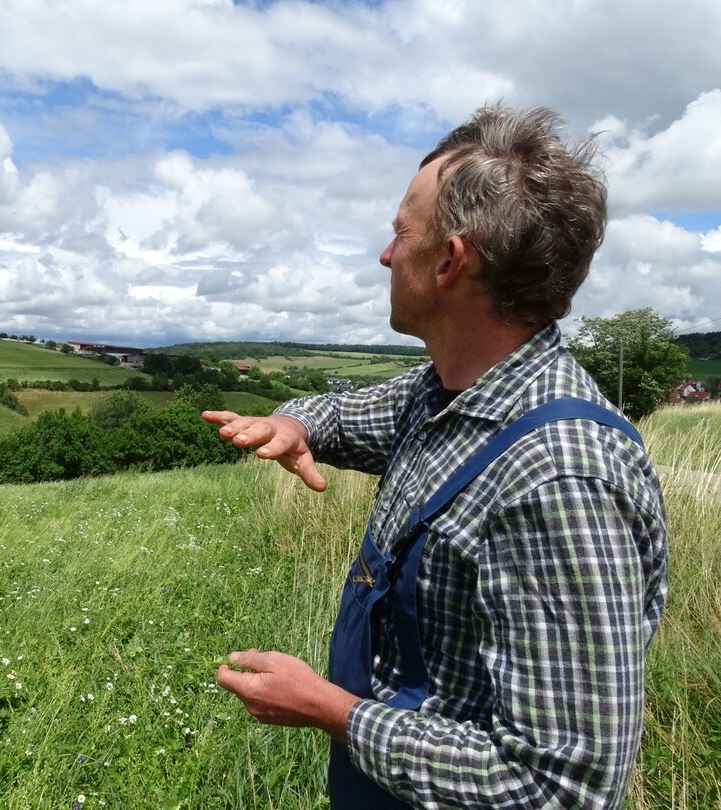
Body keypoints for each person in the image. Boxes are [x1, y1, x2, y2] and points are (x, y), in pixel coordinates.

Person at [203, 104, 668, 809]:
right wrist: (291, 421)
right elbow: (339, 414)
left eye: (400, 233)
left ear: (451, 261)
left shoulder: (562, 477)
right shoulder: (445, 391)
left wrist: (333, 711)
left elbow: (563, 785)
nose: (386, 256)